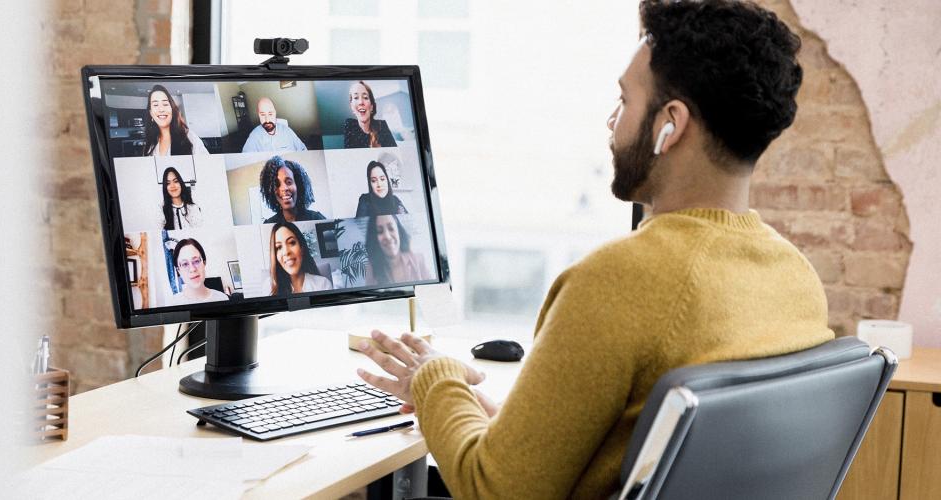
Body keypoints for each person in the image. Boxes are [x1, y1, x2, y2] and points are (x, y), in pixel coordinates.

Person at [353, 1, 835, 498]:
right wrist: (491, 417)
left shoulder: (619, 280)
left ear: (670, 124)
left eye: (625, 102)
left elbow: (493, 490)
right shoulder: (795, 278)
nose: (612, 123)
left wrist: (435, 377)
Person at [363, 215, 430, 286]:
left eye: (391, 228)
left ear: (398, 230)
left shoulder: (419, 260)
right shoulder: (371, 270)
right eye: (380, 231)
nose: (387, 237)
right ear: (374, 238)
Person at [143, 85, 209, 156]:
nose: (161, 109)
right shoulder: (150, 144)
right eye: (155, 105)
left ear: (172, 109)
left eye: (165, 104)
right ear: (151, 113)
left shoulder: (189, 137)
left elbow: (207, 164)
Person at [269, 221, 332, 295]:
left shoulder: (323, 284)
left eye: (292, 242)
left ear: (302, 248)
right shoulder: (269, 287)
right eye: (279, 247)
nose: (286, 252)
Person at [259, 156, 327, 224]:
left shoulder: (316, 219)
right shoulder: (269, 224)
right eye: (277, 184)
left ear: (298, 185)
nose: (284, 188)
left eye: (289, 182)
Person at [168, 238, 228, 305]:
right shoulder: (173, 304)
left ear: (204, 263)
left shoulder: (222, 298)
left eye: (196, 261)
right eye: (185, 264)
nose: (192, 269)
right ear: (179, 270)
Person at [241, 97, 308, 153]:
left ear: (275, 113)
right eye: (263, 115)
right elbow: (245, 158)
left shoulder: (287, 131)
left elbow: (303, 150)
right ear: (259, 115)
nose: (267, 120)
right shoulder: (254, 136)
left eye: (270, 114)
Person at [343, 81, 397, 148]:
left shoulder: (382, 125)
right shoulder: (350, 124)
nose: (361, 102)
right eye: (356, 97)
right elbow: (350, 154)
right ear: (352, 107)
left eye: (365, 97)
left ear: (371, 107)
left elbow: (393, 153)